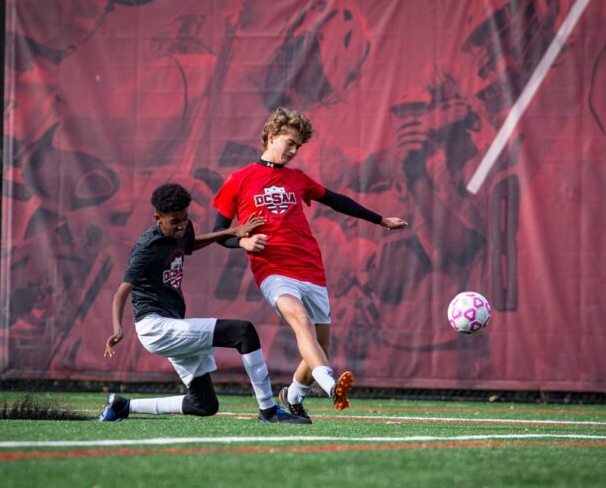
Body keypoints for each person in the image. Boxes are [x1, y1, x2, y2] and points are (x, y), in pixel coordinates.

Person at [212, 107, 408, 421]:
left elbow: (337, 200)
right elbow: (219, 233)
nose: (292, 151)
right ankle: (332, 387)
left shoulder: (298, 178)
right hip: (273, 270)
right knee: (301, 321)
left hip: (311, 269)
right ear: (271, 136)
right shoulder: (239, 180)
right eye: (289, 142)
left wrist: (380, 219)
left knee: (319, 346)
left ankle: (293, 395)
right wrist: (243, 241)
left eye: (298, 146)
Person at [98, 182, 310, 424]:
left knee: (204, 404)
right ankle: (269, 411)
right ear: (158, 218)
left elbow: (191, 244)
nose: (181, 226)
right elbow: (122, 290)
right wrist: (118, 327)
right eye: (174, 221)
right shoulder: (147, 246)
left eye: (184, 219)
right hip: (155, 328)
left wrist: (231, 232)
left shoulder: (183, 229)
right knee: (244, 332)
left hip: (172, 324)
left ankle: (122, 405)